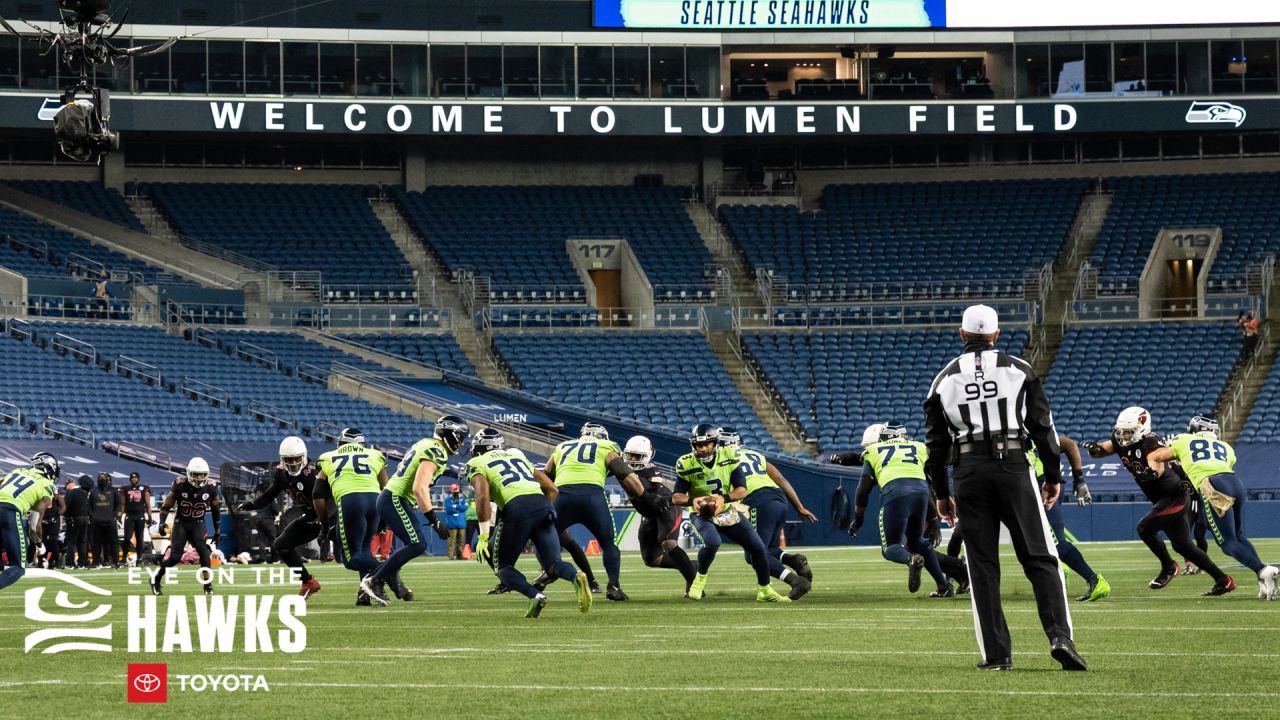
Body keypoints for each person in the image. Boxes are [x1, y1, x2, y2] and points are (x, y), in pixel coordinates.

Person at [924, 304, 1084, 672]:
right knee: (1041, 557)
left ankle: (997, 655)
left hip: (967, 471)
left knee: (982, 566)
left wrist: (941, 493)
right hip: (1013, 464)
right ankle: (1061, 636)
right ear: (996, 336)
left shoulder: (944, 379)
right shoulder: (1019, 370)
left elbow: (935, 446)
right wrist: (1054, 477)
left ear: (962, 334)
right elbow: (1044, 429)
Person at [1083, 407, 1234, 595]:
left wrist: (1153, 472)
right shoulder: (1121, 438)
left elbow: (1158, 461)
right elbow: (1103, 450)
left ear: (1142, 429)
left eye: (1127, 432)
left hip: (1174, 496)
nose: (1122, 436)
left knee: (1144, 528)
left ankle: (1169, 566)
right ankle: (1223, 580)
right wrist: (1094, 449)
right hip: (1161, 498)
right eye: (1120, 431)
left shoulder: (1151, 442)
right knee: (1183, 546)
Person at [1147, 415, 1278, 600]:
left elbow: (1157, 456)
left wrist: (1153, 469)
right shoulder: (1226, 447)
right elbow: (1224, 464)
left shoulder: (1183, 439)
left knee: (1226, 542)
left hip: (1212, 485)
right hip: (1235, 483)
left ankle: (1263, 569)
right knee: (1239, 535)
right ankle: (1263, 578)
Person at [466, 428, 592, 618]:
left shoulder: (476, 462)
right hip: (543, 504)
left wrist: (483, 536)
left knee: (503, 567)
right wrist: (540, 510)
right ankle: (575, 576)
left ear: (478, 449)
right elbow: (552, 488)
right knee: (552, 564)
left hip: (517, 507)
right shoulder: (517, 456)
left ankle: (535, 596)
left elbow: (482, 497)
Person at [673, 423, 789, 603]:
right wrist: (692, 500)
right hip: (702, 513)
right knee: (713, 542)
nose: (703, 449)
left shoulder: (729, 455)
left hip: (726, 510)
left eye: (707, 444)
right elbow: (675, 497)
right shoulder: (686, 463)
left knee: (758, 547)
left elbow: (742, 490)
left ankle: (765, 590)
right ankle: (699, 580)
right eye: (699, 445)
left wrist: (723, 499)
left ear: (715, 443)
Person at [850, 422, 960, 598]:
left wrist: (858, 519)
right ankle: (943, 586)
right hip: (922, 492)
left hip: (895, 492)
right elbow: (936, 472)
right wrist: (934, 520)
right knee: (917, 542)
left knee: (890, 547)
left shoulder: (873, 450)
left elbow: (862, 490)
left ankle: (911, 560)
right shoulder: (919, 446)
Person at [363, 417, 466, 603]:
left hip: (392, 498)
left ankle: (383, 583)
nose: (461, 442)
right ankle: (375, 581)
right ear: (448, 434)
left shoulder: (425, 443)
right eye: (459, 437)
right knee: (418, 544)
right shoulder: (436, 451)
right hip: (395, 498)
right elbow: (419, 488)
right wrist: (434, 519)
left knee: (413, 544)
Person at [542, 422, 648, 601]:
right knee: (608, 543)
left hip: (562, 496)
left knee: (544, 536)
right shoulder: (607, 446)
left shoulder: (562, 446)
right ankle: (613, 586)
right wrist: (643, 495)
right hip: (593, 496)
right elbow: (625, 473)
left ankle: (548, 572)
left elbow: (545, 476)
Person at [717, 426, 817, 599]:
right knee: (768, 548)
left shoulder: (721, 460)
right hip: (779, 500)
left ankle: (795, 581)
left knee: (753, 554)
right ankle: (793, 560)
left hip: (758, 502)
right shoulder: (754, 455)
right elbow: (780, 479)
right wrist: (799, 507)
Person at [237, 436, 329, 600]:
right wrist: (252, 504)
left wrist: (327, 524)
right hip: (310, 517)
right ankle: (308, 582)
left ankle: (375, 577)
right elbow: (270, 494)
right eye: (289, 459)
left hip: (329, 516)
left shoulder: (313, 474)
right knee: (281, 545)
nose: (293, 463)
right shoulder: (281, 474)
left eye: (296, 458)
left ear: (304, 456)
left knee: (352, 552)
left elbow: (332, 499)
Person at [312, 428, 388, 607]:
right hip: (374, 502)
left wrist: (323, 523)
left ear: (340, 444)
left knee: (351, 558)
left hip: (350, 502)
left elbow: (317, 494)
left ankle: (388, 573)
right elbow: (387, 489)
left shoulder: (328, 457)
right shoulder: (374, 455)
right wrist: (384, 519)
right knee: (363, 549)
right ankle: (365, 592)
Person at [1031, 437, 1110, 602]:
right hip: (1037, 484)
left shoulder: (1023, 431)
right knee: (1038, 541)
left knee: (1057, 542)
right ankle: (1061, 569)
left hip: (1041, 486)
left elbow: (1070, 444)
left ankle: (1095, 580)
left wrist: (1079, 479)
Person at [620, 434, 699, 595]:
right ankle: (693, 566)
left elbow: (652, 488)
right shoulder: (622, 467)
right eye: (630, 455)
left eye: (637, 456)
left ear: (646, 456)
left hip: (665, 507)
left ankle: (694, 583)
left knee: (668, 543)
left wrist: (639, 483)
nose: (633, 459)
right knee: (651, 559)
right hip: (649, 514)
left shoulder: (649, 470)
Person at [152, 457, 220, 596]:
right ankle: (156, 579)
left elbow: (215, 509)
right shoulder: (180, 484)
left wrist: (218, 528)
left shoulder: (211, 487)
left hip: (198, 522)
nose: (199, 477)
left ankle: (208, 586)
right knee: (175, 558)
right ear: (189, 473)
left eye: (202, 474)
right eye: (196, 474)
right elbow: (165, 507)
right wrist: (162, 522)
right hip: (181, 523)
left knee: (204, 553)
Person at [0, 453, 59, 591]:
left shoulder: (17, 471)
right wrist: (39, 544)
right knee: (18, 567)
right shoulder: (47, 485)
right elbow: (34, 525)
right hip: (9, 511)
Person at [89, 472, 121, 568]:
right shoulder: (93, 491)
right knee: (96, 543)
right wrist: (92, 516)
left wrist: (114, 515)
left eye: (104, 478)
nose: (102, 480)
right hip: (96, 521)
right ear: (98, 480)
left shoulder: (113, 490)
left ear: (108, 479)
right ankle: (95, 562)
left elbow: (118, 504)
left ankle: (115, 562)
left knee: (113, 542)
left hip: (110, 520)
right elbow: (89, 505)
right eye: (100, 478)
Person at [120, 472, 152, 565]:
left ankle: (139, 558)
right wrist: (120, 516)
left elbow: (147, 503)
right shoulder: (125, 488)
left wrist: (150, 517)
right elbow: (122, 504)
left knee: (139, 538)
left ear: (139, 479)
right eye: (132, 478)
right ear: (130, 479)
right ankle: (123, 558)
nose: (134, 479)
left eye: (136, 477)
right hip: (129, 516)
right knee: (127, 538)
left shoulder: (144, 488)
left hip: (140, 516)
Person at [64, 475, 91, 569]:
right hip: (86, 518)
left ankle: (70, 562)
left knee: (72, 541)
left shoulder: (72, 492)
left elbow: (66, 506)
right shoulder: (86, 492)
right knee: (83, 541)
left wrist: (67, 517)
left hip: (75, 518)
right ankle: (82, 562)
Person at [444, 483, 469, 560]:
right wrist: (458, 509)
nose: (456, 491)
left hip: (461, 522)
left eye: (457, 489)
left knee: (460, 541)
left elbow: (464, 508)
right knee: (451, 541)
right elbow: (448, 509)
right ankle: (451, 556)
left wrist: (456, 506)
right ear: (451, 490)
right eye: (454, 489)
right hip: (452, 523)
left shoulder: (463, 498)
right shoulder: (448, 499)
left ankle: (459, 555)